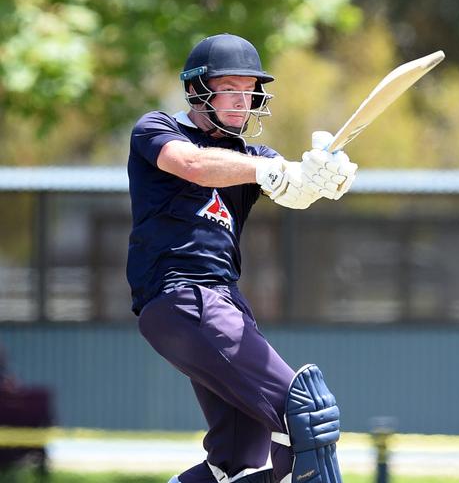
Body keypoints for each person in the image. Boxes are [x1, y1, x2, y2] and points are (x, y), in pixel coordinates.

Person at [126, 34, 357, 483]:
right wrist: (268, 170)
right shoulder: (157, 129)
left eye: (249, 89)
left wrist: (318, 177)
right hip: (182, 296)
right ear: (195, 89)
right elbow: (190, 164)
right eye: (229, 86)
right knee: (308, 410)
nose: (241, 99)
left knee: (235, 460)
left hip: (224, 303)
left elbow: (293, 188)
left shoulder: (252, 156)